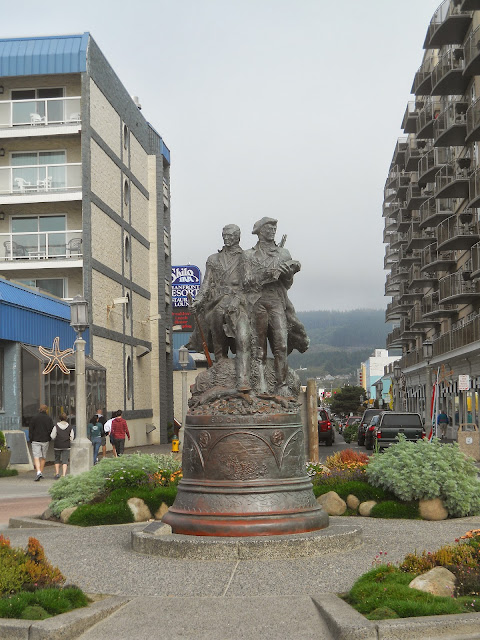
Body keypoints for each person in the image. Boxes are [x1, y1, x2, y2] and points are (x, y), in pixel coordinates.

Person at [244, 217, 309, 396]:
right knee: (258, 348)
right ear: (259, 231)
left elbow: (287, 284)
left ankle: (281, 385)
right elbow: (245, 283)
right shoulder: (248, 256)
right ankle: (259, 385)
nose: (272, 230)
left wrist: (287, 275)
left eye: (274, 227)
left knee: (281, 344)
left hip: (276, 301)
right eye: (269, 227)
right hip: (257, 302)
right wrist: (263, 276)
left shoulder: (283, 253)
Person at [189, 224, 251, 390]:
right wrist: (198, 301)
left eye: (230, 235)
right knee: (216, 318)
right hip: (218, 300)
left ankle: (243, 364)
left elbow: (249, 284)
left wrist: (238, 298)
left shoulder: (245, 257)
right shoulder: (213, 259)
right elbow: (206, 284)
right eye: (224, 234)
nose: (226, 237)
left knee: (241, 327)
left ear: (238, 236)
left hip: (239, 300)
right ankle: (220, 360)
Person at [29, 404, 53, 481]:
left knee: (36, 457)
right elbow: (51, 429)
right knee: (43, 457)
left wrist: (31, 438)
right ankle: (40, 472)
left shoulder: (34, 418)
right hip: (45, 440)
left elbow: (31, 429)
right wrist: (49, 438)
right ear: (46, 410)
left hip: (35, 439)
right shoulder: (49, 419)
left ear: (39, 409)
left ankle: (38, 472)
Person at [50, 412, 74, 478]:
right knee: (65, 460)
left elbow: (52, 436)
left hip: (57, 445)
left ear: (59, 418)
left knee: (57, 459)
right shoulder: (70, 427)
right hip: (66, 445)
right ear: (66, 419)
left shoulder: (56, 426)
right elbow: (72, 437)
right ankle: (63, 474)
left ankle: (57, 473)